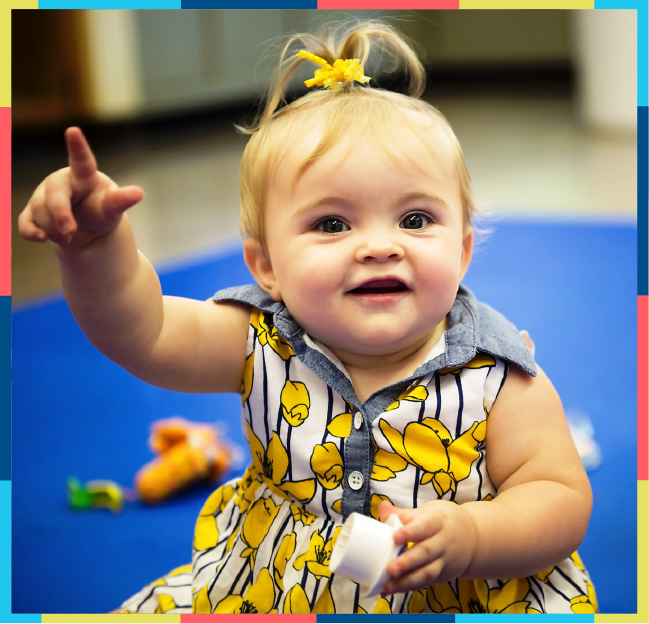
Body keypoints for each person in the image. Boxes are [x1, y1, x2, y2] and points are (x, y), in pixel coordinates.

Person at [18, 21, 596, 615]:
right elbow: (143, 331)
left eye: (416, 220)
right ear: (265, 266)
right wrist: (94, 252)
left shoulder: (498, 373)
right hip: (278, 586)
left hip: (457, 588)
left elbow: (559, 495)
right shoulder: (256, 339)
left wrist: (477, 536)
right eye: (332, 224)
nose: (379, 246)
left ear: (464, 250)